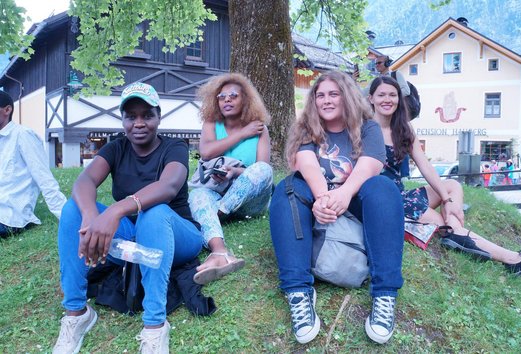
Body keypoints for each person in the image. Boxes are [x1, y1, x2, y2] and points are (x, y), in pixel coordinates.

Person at [53, 82, 204, 353]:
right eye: (130, 116)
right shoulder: (116, 148)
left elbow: (169, 186)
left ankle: (155, 326)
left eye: (147, 115)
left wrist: (115, 209)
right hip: (133, 237)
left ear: (159, 117)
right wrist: (90, 216)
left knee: (154, 212)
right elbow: (85, 180)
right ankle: (76, 313)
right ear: (122, 119)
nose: (139, 123)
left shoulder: (175, 147)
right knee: (72, 209)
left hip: (177, 233)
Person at [270, 71, 405, 345]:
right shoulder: (307, 127)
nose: (326, 101)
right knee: (287, 189)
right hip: (319, 194)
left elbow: (371, 164)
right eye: (320, 95)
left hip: (355, 196)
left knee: (384, 188)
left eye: (334, 94)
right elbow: (306, 163)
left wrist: (343, 194)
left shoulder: (368, 127)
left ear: (347, 97)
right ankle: (298, 292)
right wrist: (322, 197)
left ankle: (385, 295)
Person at [370, 76, 521, 276]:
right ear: (371, 99)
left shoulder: (403, 128)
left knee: (453, 185)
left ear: (398, 99)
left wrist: (446, 199)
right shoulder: (364, 128)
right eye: (381, 95)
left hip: (402, 195)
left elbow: (425, 165)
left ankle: (454, 232)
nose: (387, 99)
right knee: (443, 222)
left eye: (392, 95)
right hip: (385, 201)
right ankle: (512, 258)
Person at [188, 73, 273, 285]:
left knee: (262, 169)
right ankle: (219, 252)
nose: (226, 100)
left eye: (233, 95)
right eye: (221, 96)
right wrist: (243, 133)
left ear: (246, 99)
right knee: (198, 193)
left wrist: (235, 172)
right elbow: (206, 153)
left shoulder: (260, 128)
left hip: (249, 203)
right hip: (218, 191)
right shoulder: (211, 123)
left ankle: (214, 214)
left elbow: (263, 172)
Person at [0, 90, 66, 238]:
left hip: (8, 217)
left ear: (7, 110)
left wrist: (66, 217)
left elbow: (43, 176)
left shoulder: (23, 135)